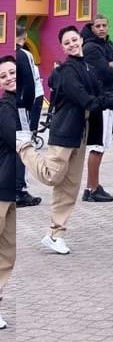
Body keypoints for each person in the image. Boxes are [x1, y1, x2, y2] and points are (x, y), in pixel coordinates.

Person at [16, 27, 113, 255]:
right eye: (66, 42)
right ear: (63, 47)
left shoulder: (87, 66)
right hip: (64, 132)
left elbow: (100, 96)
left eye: (74, 39)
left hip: (80, 134)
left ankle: (55, 235)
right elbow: (87, 100)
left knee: (68, 188)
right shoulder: (68, 70)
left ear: (80, 40)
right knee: (52, 176)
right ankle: (23, 146)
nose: (72, 44)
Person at [80, 15, 113, 202]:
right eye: (97, 26)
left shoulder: (108, 45)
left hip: (111, 98)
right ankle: (92, 189)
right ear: (92, 28)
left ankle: (92, 186)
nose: (101, 28)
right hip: (102, 101)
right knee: (97, 146)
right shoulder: (91, 47)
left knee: (102, 146)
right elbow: (104, 73)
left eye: (104, 25)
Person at [14, 27, 42, 208]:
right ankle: (19, 190)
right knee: (22, 145)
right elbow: (32, 85)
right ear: (23, 38)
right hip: (19, 106)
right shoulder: (24, 55)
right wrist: (29, 106)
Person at [0, 56, 18, 329]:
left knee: (7, 252)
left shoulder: (17, 104)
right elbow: (17, 140)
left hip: (11, 189)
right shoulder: (5, 108)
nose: (10, 78)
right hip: (2, 187)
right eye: (3, 76)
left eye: (12, 72)